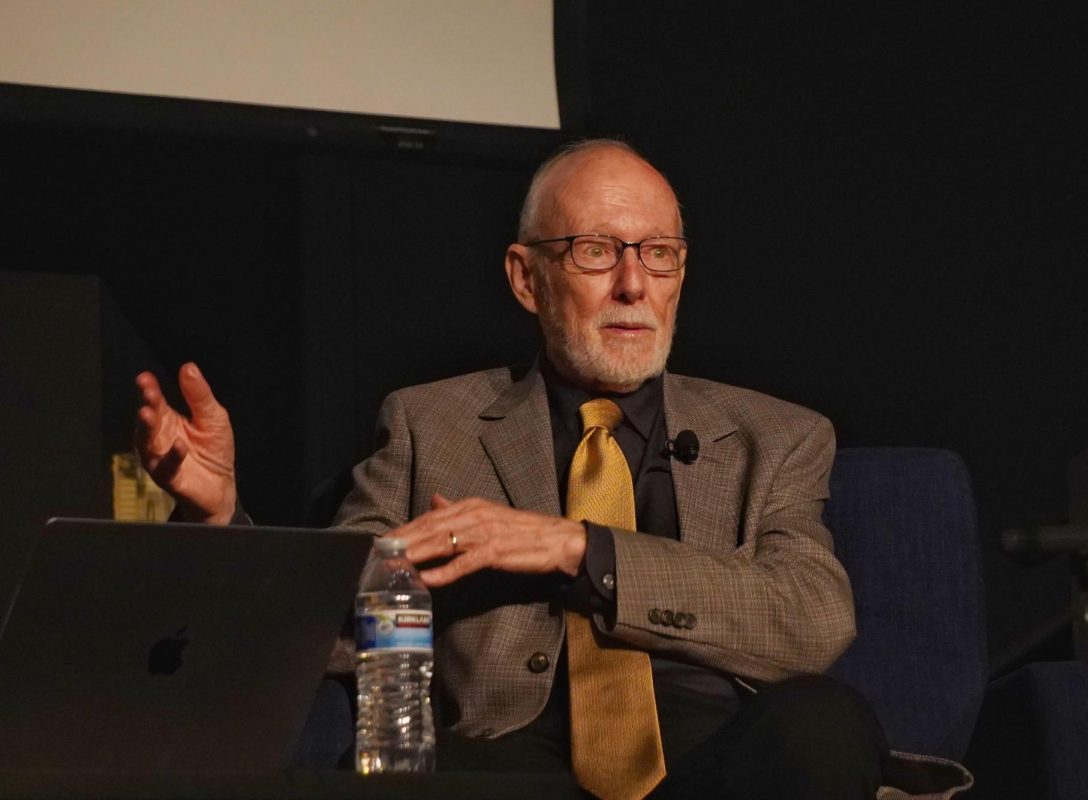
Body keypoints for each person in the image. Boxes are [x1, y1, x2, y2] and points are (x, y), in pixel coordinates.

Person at [136, 140, 921, 799]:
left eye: (659, 254)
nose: (632, 285)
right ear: (525, 277)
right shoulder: (427, 422)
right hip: (506, 764)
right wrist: (218, 518)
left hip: (716, 763)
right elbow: (334, 634)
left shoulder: (774, 434)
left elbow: (813, 620)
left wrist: (579, 548)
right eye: (594, 251)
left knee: (824, 723)